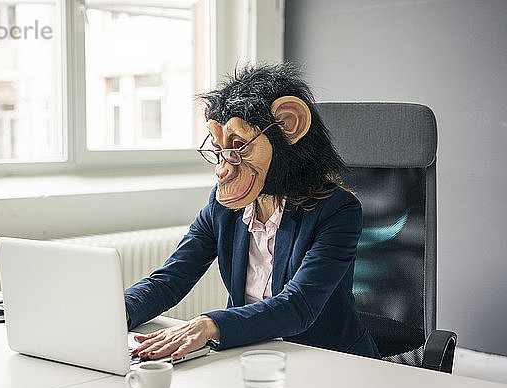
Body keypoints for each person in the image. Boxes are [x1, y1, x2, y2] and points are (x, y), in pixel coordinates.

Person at [125, 63, 380, 361]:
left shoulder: (337, 210)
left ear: (288, 125)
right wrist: (115, 313)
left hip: (326, 360)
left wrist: (211, 325)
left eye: (240, 146)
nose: (223, 170)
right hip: (249, 355)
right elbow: (170, 279)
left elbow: (298, 306)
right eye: (220, 149)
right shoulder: (223, 208)